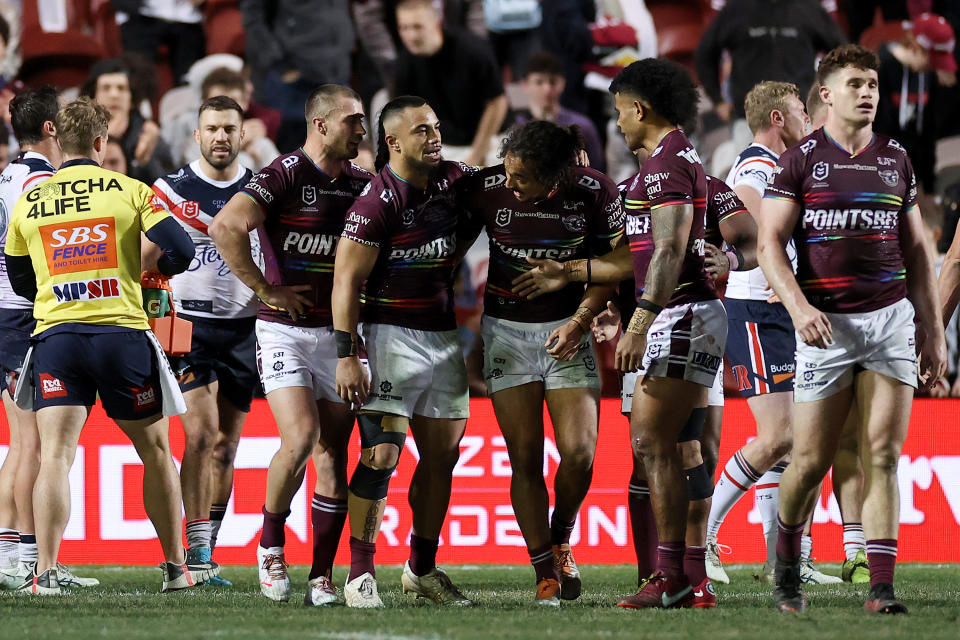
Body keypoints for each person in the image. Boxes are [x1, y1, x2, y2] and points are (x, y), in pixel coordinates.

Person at [759, 44, 946, 614]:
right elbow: (768, 246)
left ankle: (881, 588)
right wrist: (798, 309)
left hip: (890, 322)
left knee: (883, 455)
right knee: (811, 461)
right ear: (826, 94)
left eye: (873, 83)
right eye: (856, 84)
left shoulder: (896, 158)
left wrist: (933, 330)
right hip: (826, 329)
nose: (868, 93)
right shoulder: (801, 161)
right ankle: (786, 567)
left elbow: (917, 249)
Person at [2, 96, 211, 594]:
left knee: (55, 454)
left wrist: (58, 293)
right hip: (121, 336)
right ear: (100, 143)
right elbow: (180, 249)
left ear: (59, 143)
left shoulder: (32, 199)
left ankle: (46, 572)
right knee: (156, 450)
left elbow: (20, 278)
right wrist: (149, 273)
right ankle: (176, 569)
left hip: (56, 337)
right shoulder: (130, 190)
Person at [208, 84, 370, 605]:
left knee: (332, 454)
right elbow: (226, 225)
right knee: (300, 438)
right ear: (320, 125)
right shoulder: (283, 174)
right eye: (354, 121)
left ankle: (321, 576)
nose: (362, 131)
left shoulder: (364, 185)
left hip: (342, 335)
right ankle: (271, 542)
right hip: (284, 329)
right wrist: (263, 288)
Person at [455, 120, 623, 605]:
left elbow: (622, 261)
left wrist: (580, 318)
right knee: (525, 457)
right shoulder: (487, 188)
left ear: (555, 177)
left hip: (568, 330)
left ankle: (561, 535)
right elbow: (446, 233)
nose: (509, 184)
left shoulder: (594, 192)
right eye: (507, 173)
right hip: (506, 332)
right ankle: (543, 570)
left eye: (521, 178)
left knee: (580, 453)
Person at [332, 95, 473, 608]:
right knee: (382, 453)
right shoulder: (376, 203)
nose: (434, 137)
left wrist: (567, 156)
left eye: (436, 127)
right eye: (421, 130)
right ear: (393, 141)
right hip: (388, 336)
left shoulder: (457, 179)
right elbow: (345, 282)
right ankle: (360, 573)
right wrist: (348, 353)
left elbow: (505, 182)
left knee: (442, 460)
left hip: (442, 337)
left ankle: (421, 568)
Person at [704, 80, 840, 586]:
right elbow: (749, 237)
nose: (807, 116)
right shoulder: (754, 168)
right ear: (778, 118)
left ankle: (783, 559)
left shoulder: (781, 167)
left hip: (786, 310)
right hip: (760, 309)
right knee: (780, 435)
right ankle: (704, 537)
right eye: (800, 109)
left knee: (793, 443)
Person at [147, 96, 257, 587]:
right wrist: (155, 316)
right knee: (200, 435)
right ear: (195, 135)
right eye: (211, 128)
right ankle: (194, 551)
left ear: (241, 134)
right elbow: (143, 259)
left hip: (246, 327)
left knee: (226, 448)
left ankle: (206, 549)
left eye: (229, 129)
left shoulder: (262, 189)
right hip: (187, 327)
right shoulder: (170, 190)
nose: (220, 137)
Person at [0, 87, 101, 591]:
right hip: (22, 316)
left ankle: (15, 554)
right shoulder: (40, 183)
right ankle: (22, 558)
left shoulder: (9, 174)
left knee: (24, 443)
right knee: (33, 445)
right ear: (50, 129)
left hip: (6, 316)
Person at [393, 0, 508, 166]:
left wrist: (476, 155)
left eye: (417, 27)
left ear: (436, 23)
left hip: (490, 140)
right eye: (404, 28)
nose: (411, 35)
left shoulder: (472, 50)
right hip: (444, 145)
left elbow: (498, 102)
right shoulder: (404, 63)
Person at [695, 0, 846, 122]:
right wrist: (717, 100)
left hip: (800, 116)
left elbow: (843, 54)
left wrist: (829, 95)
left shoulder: (809, 8)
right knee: (748, 160)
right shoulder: (737, 9)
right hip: (748, 118)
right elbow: (705, 53)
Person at [80, 58, 174, 184]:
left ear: (132, 99)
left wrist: (144, 162)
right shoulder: (76, 133)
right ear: (92, 97)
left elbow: (166, 186)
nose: (114, 95)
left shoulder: (149, 136)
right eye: (106, 88)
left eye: (121, 88)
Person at [514, 51, 605, 171]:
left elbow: (598, 172)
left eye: (552, 82)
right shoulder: (516, 126)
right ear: (524, 85)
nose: (547, 89)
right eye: (539, 82)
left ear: (563, 83)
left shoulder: (582, 126)